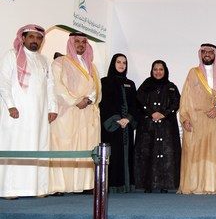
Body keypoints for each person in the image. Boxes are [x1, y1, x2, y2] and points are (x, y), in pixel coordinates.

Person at [0, 25, 57, 198]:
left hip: (39, 115)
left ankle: (37, 189)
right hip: (16, 113)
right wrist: (10, 105)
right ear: (23, 38)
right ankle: (10, 190)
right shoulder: (11, 55)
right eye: (31, 37)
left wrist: (52, 108)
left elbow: (50, 87)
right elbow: (3, 82)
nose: (35, 41)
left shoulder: (44, 60)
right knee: (14, 147)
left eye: (38, 38)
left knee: (39, 147)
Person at [49, 32, 101, 195]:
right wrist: (77, 100)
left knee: (86, 147)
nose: (80, 44)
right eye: (77, 41)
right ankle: (59, 186)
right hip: (68, 113)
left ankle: (84, 185)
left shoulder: (92, 66)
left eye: (83, 42)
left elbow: (97, 88)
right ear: (71, 43)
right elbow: (57, 87)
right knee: (64, 147)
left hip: (87, 113)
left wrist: (89, 100)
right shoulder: (60, 63)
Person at [178, 43, 216, 194]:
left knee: (214, 152)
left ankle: (212, 185)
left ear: (215, 54)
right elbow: (186, 97)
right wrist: (185, 118)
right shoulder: (193, 73)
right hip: (197, 120)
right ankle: (195, 185)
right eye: (204, 52)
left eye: (210, 52)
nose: (207, 54)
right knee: (196, 152)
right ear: (200, 54)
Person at [135, 60, 181, 193]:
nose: (158, 72)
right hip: (148, 126)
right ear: (152, 71)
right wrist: (152, 113)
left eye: (161, 69)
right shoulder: (145, 86)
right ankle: (147, 184)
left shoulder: (171, 87)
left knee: (166, 155)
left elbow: (177, 103)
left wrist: (164, 114)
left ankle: (165, 184)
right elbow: (139, 100)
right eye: (155, 69)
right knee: (148, 154)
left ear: (165, 71)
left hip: (167, 127)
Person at [99, 53, 138, 193]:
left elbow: (134, 104)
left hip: (126, 127)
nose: (122, 65)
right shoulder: (104, 82)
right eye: (119, 62)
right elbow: (104, 104)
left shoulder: (130, 84)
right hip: (112, 127)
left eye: (124, 62)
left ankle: (126, 186)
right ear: (113, 64)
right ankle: (112, 187)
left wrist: (128, 119)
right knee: (113, 156)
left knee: (126, 156)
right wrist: (116, 119)